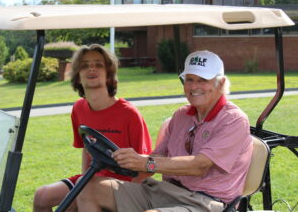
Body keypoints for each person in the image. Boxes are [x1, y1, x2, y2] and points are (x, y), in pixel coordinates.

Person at [76, 50, 253, 212]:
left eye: (202, 80)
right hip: (166, 192)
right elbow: (158, 156)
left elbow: (199, 165)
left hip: (205, 202)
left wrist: (147, 163)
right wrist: (128, 162)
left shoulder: (233, 120)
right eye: (189, 79)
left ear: (220, 83)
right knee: (88, 188)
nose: (193, 87)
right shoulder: (182, 115)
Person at [33, 44, 152, 212]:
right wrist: (83, 181)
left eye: (98, 65)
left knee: (79, 199)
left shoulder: (129, 114)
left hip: (123, 186)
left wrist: (128, 202)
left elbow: (145, 169)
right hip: (93, 177)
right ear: (77, 76)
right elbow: (87, 149)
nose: (92, 69)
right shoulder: (79, 109)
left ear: (109, 75)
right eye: (85, 66)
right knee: (42, 196)